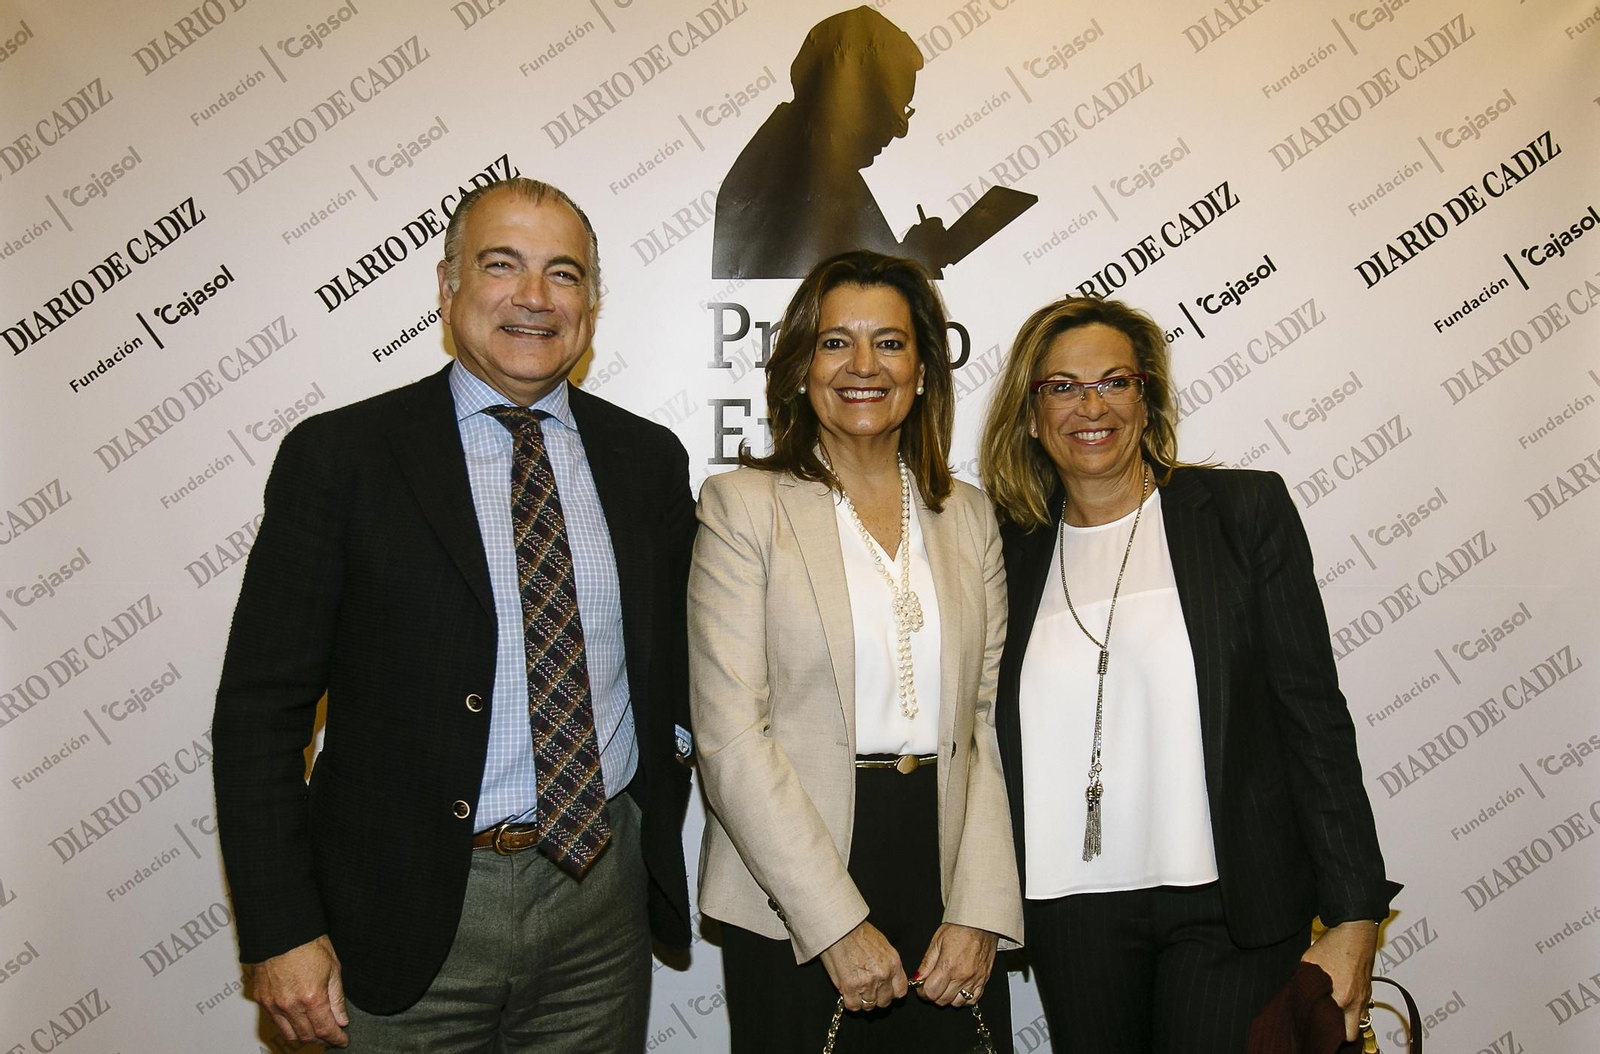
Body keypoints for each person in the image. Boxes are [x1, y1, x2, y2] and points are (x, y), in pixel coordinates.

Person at [212, 177, 696, 1052]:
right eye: (501, 265)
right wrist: (281, 929)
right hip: (402, 912)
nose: (535, 299)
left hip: (598, 906)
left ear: (590, 302)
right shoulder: (341, 458)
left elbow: (680, 672)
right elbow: (260, 710)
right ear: (445, 286)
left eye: (565, 274)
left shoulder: (646, 459)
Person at [978, 297, 1400, 1054]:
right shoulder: (1002, 552)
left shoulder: (1241, 512)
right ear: (1033, 416)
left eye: (1114, 381)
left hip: (1231, 908)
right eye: (1062, 387)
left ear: (1148, 399)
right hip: (1070, 915)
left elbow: (1311, 715)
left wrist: (1354, 915)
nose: (1091, 405)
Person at [689, 250, 1022, 1053]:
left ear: (924, 368)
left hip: (945, 866)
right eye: (837, 342)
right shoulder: (744, 506)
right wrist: (833, 921)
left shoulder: (969, 515)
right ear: (801, 364)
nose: (864, 366)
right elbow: (730, 737)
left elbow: (983, 724)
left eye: (891, 343)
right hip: (792, 880)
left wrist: (980, 905)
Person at [712, 7, 954, 279]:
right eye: (892, 113)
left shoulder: (794, 157)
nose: (899, 133)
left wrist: (912, 256)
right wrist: (915, 260)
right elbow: (841, 298)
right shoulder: (794, 175)